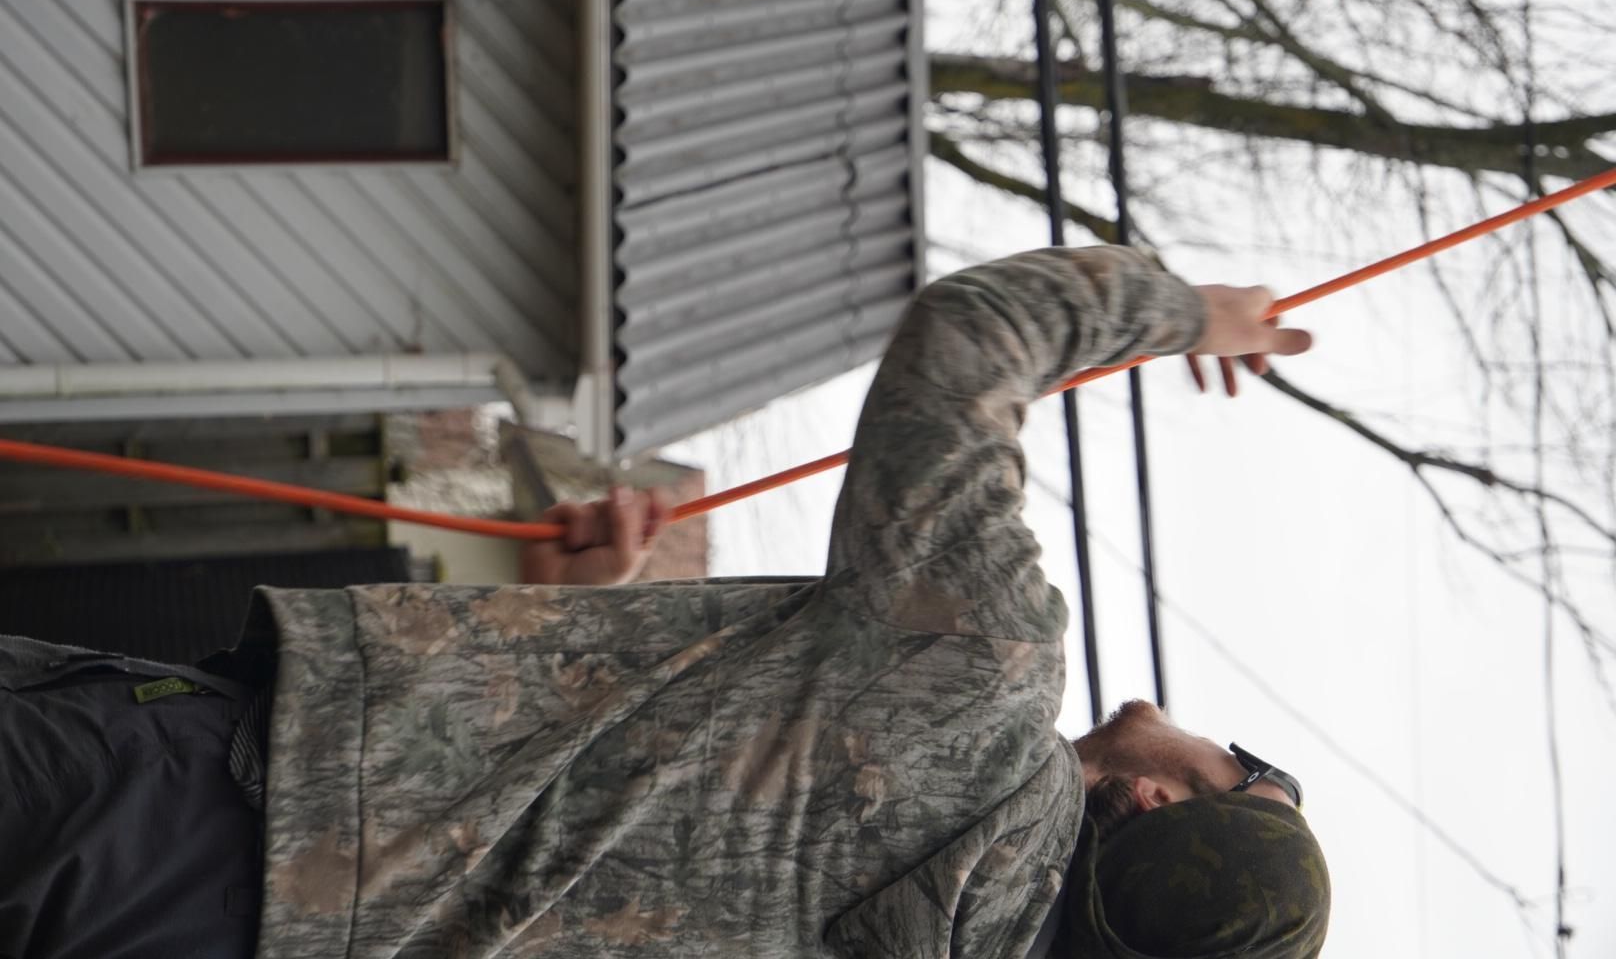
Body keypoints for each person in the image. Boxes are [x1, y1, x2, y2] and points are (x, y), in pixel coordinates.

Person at [0, 246, 1329, 958]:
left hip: (179, 811)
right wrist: (559, 631)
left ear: (1159, 807)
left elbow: (974, 336)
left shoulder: (979, 691)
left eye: (1248, 769)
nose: (1206, 732)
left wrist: (1184, 312)